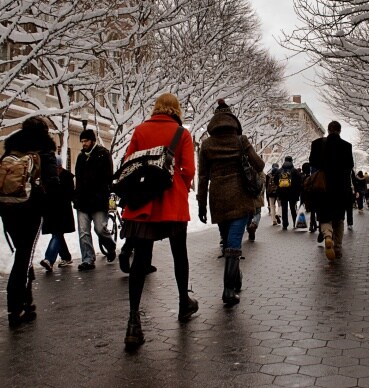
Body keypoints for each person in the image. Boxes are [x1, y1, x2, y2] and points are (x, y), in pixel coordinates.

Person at [121, 93, 198, 350]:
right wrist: (179, 185)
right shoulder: (182, 134)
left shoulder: (140, 130)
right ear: (176, 109)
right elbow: (189, 170)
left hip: (143, 204)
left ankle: (133, 321)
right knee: (180, 255)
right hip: (172, 204)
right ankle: (183, 303)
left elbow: (126, 163)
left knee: (140, 261)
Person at [198, 99, 264, 306]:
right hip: (240, 196)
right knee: (234, 241)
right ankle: (228, 289)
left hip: (217, 198)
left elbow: (202, 177)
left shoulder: (207, 145)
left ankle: (235, 280)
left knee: (227, 240)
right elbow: (260, 164)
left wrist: (201, 204)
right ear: (233, 121)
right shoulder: (240, 140)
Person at [0, 116, 59, 327]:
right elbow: (52, 183)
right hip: (31, 209)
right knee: (24, 255)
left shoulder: (12, 147)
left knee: (22, 253)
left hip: (7, 208)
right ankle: (15, 306)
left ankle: (27, 301)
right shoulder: (44, 149)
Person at [309, 121, 354, 261]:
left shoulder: (317, 144)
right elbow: (349, 166)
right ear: (339, 131)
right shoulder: (346, 146)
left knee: (325, 216)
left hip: (323, 187)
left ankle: (327, 235)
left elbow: (312, 163)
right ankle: (338, 247)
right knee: (339, 218)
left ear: (328, 130)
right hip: (341, 189)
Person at [74, 128, 116, 271]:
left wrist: (103, 195)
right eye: (82, 141)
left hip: (98, 201)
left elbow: (108, 178)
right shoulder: (81, 157)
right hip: (83, 201)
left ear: (92, 141)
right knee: (83, 232)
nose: (83, 144)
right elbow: (78, 178)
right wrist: (77, 196)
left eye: (85, 141)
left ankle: (110, 246)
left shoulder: (103, 154)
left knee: (100, 229)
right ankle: (88, 259)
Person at [40, 155, 75, 272]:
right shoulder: (47, 177)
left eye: (57, 166)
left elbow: (70, 195)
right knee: (57, 235)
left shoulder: (67, 177)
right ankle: (66, 257)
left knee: (57, 234)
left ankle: (49, 259)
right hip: (51, 211)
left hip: (62, 212)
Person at [276, 156, 303, 230]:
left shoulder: (280, 170)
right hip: (292, 193)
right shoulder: (294, 170)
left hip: (282, 193)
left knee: (284, 208)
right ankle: (295, 222)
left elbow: (276, 180)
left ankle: (285, 224)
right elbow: (299, 181)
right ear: (291, 161)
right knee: (293, 208)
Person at [247, 171, 266, 241]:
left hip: (248, 197)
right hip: (257, 197)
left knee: (248, 214)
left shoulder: (246, 169)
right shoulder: (260, 171)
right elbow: (263, 185)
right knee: (257, 213)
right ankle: (254, 224)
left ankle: (249, 229)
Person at [301, 162, 318, 233]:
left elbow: (302, 189)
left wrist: (302, 200)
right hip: (316, 194)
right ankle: (316, 225)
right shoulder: (316, 176)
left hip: (308, 196)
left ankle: (312, 224)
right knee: (316, 210)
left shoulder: (304, 177)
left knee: (312, 211)